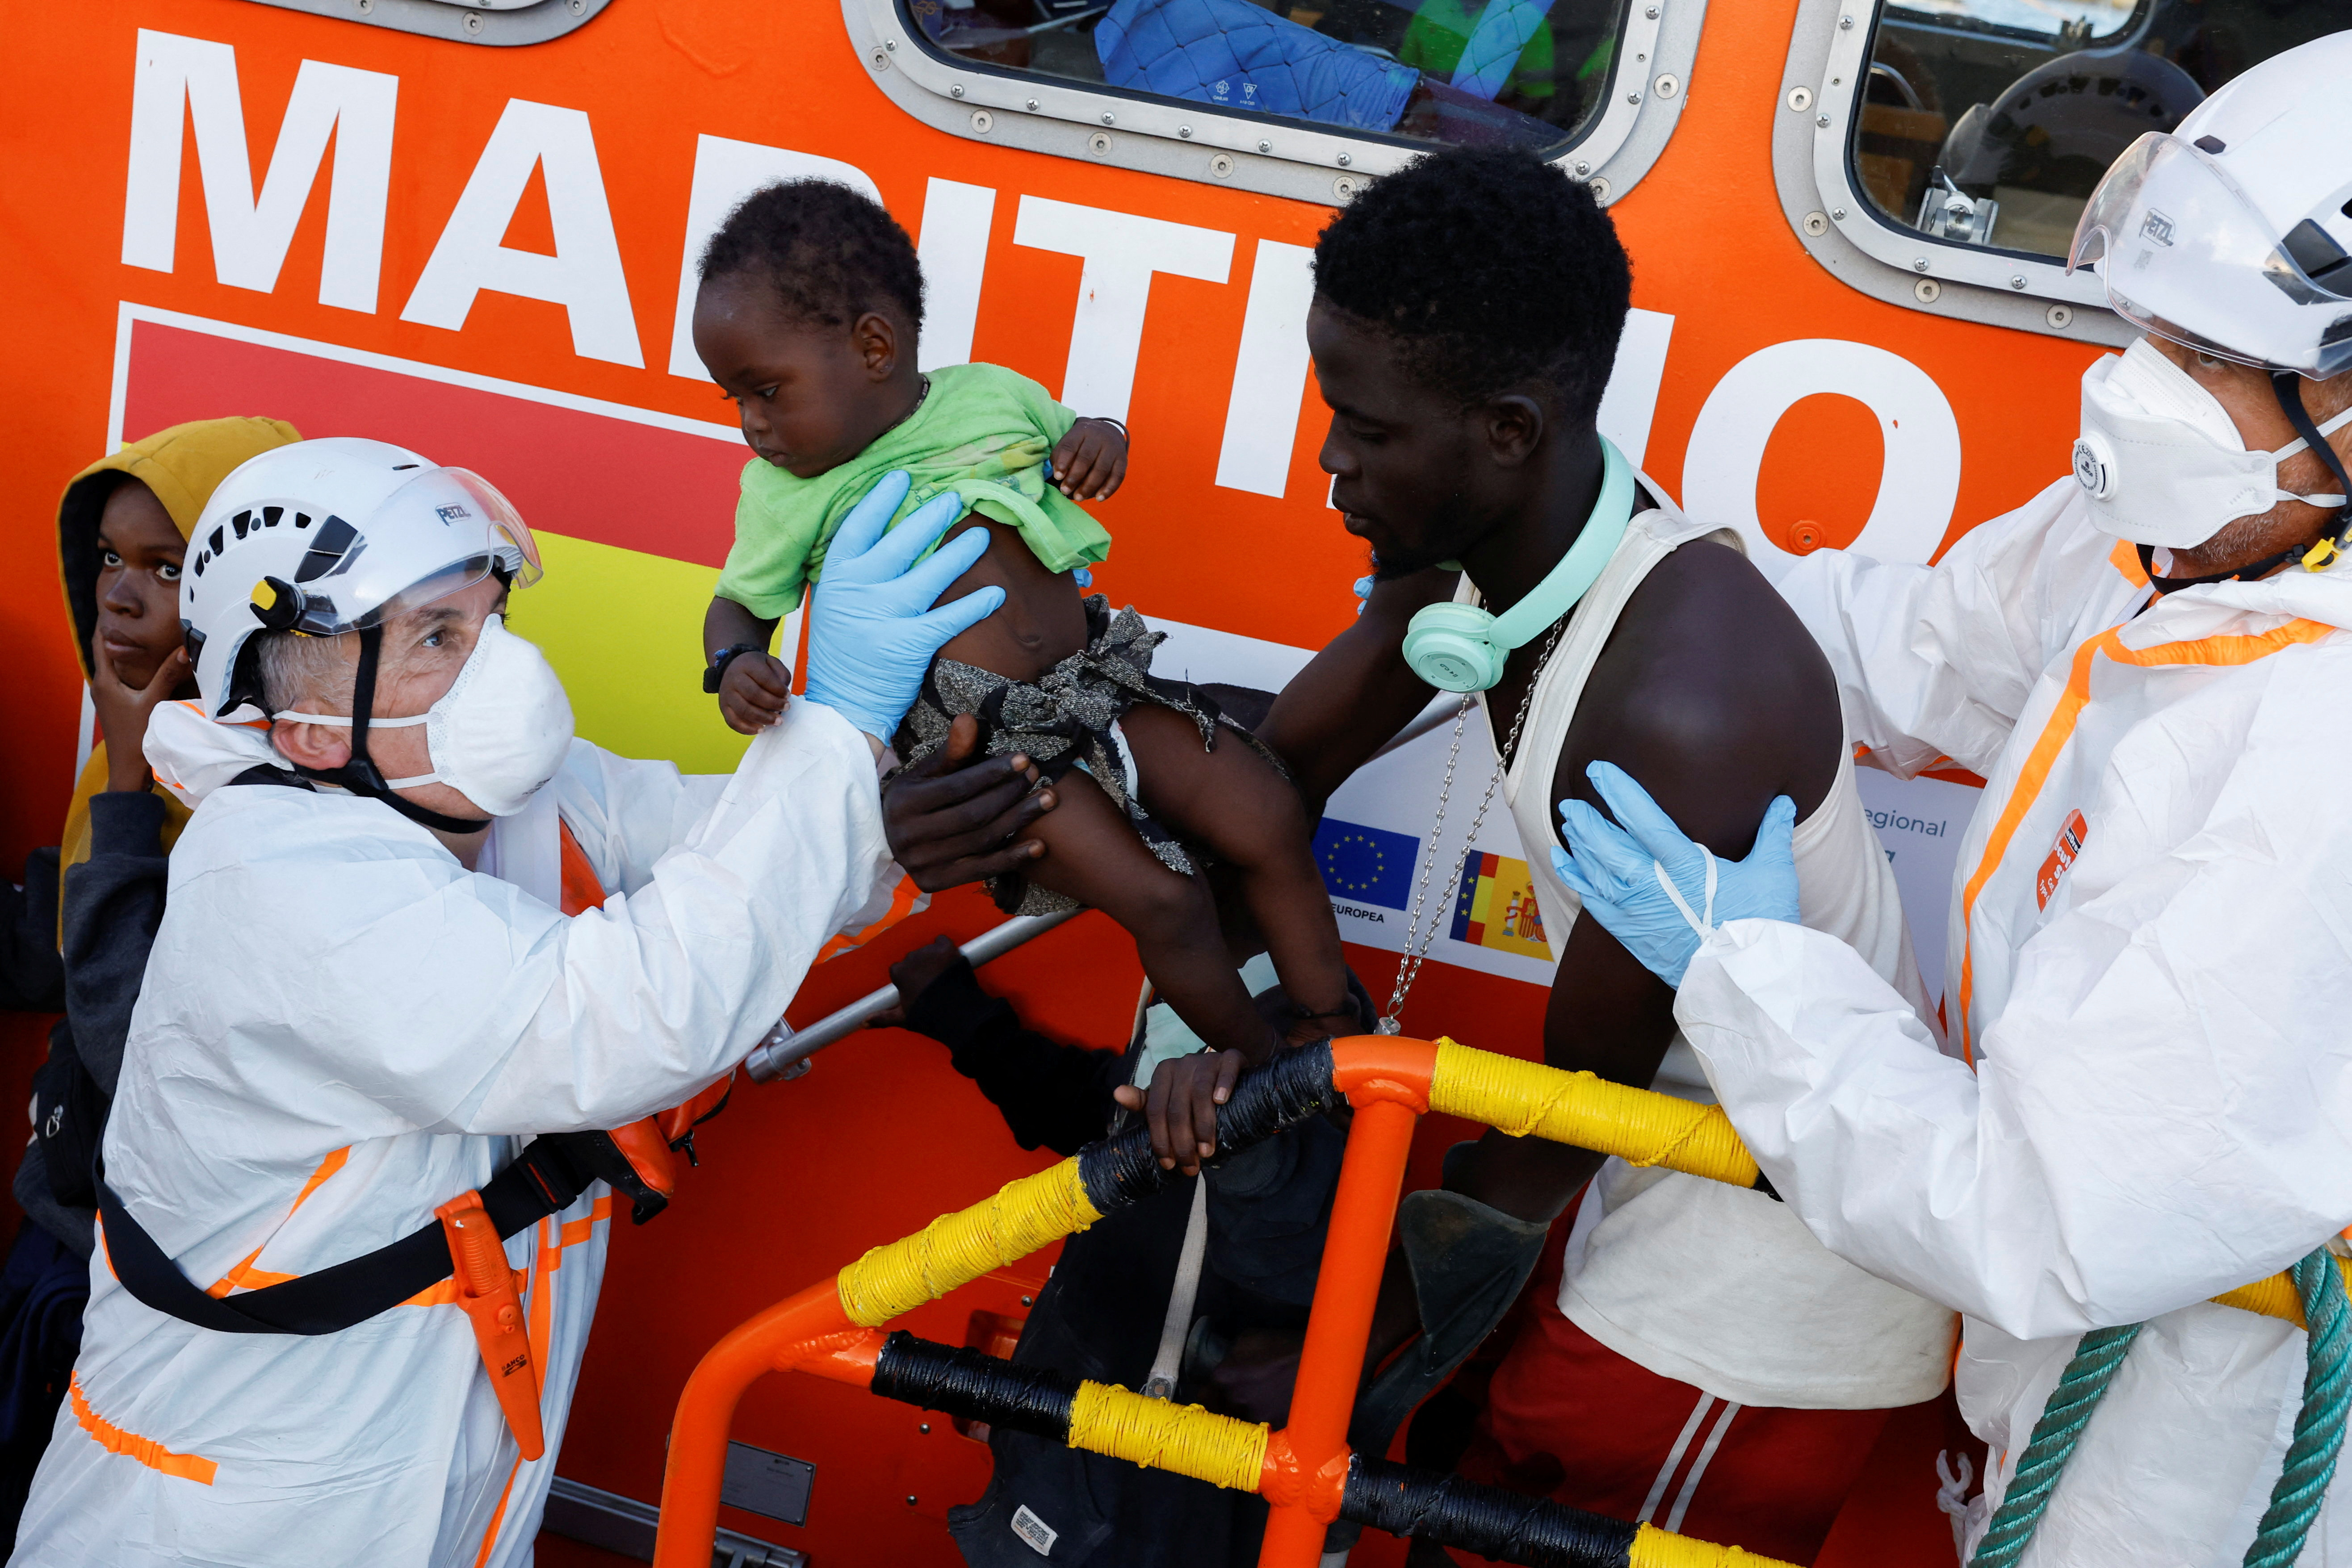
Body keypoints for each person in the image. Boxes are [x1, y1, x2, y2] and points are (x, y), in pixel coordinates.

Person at [882, 146, 1956, 1563]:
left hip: (1747, 1305)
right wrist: (1011, 779)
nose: (1330, 457)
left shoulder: (1674, 707)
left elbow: (1574, 1111)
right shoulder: (1480, 569)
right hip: (1617, 1225)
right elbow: (1273, 770)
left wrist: (1341, 1346)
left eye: (1364, 428)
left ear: (1506, 428)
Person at [1552, 36, 2352, 1565]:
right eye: (2142, 333)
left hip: (2196, 1467)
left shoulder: (2316, 758)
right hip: (2060, 1391)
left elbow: (2031, 1215)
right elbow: (1913, 648)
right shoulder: (2208, 536)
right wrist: (1619, 580)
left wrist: (1750, 971)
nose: (2132, 393)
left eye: (2202, 360)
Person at [9, 438, 996, 1567]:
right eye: (438, 638)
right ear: (312, 714)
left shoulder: (481, 789)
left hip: (447, 1503)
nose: (502, 673)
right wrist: (831, 728)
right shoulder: (275, 883)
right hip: (228, 1519)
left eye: (491, 620)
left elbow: (724, 853)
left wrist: (887, 804)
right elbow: (633, 1014)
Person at [692, 179, 1358, 1067]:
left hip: (1100, 681)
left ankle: (1330, 1023)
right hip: (989, 750)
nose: (752, 424)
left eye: (766, 390)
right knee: (1165, 900)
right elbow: (738, 599)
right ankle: (1270, 1070)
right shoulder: (783, 493)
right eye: (734, 399)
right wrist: (735, 658)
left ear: (875, 347)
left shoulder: (990, 394)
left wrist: (1103, 441)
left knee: (1267, 811)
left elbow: (1080, 434)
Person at [0, 415, 304, 1533]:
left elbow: (144, 1058)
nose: (121, 599)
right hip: (55, 1240)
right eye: (109, 562)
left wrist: (133, 779)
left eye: (171, 569)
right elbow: (57, 949)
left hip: (136, 1294)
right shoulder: (122, 759)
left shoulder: (269, 807)